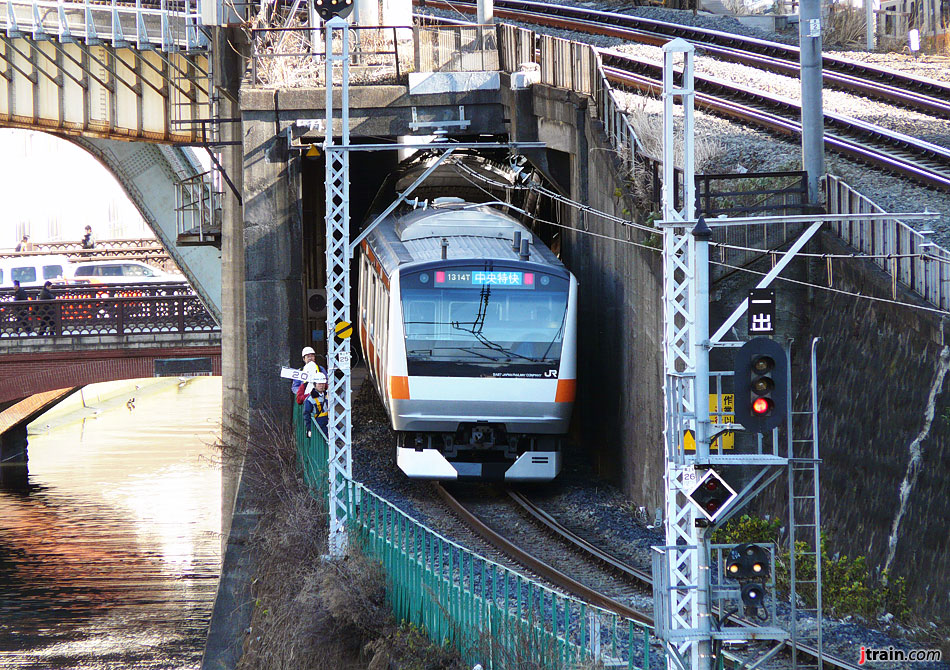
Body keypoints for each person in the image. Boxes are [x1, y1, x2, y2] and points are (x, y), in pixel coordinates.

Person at [303, 372, 329, 438]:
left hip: (328, 424)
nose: (321, 385)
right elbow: (307, 415)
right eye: (319, 384)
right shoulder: (310, 399)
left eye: (323, 383)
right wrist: (309, 429)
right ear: (315, 384)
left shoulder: (328, 395)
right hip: (318, 426)